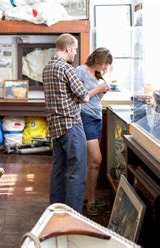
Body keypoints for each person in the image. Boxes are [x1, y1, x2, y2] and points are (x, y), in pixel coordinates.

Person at [42, 33, 89, 213]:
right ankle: (73, 216)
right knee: (77, 172)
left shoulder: (47, 68)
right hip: (71, 126)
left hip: (55, 127)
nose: (75, 53)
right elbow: (84, 96)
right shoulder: (66, 68)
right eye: (75, 49)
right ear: (68, 48)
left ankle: (55, 211)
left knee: (58, 170)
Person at [75, 48, 112, 216]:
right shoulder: (81, 71)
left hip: (97, 117)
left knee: (93, 163)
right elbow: (79, 96)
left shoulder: (97, 75)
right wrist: (98, 89)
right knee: (96, 159)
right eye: (105, 65)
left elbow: (95, 99)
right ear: (98, 60)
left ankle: (90, 199)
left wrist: (102, 91)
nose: (105, 69)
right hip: (85, 117)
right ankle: (89, 200)